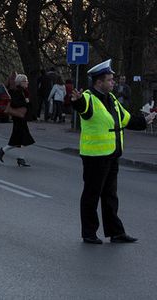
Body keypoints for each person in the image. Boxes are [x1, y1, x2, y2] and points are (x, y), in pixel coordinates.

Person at [71, 59, 157, 244]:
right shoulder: (88, 98)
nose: (113, 82)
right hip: (95, 156)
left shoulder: (112, 100)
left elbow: (125, 119)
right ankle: (89, 233)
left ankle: (116, 233)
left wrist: (144, 121)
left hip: (112, 155)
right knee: (91, 195)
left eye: (112, 79)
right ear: (98, 82)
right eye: (109, 80)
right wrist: (77, 102)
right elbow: (82, 108)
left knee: (110, 196)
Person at [0, 74, 35, 167]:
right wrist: (26, 102)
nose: (27, 82)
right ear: (21, 82)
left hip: (21, 118)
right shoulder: (17, 91)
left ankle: (5, 151)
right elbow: (16, 103)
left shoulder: (24, 92)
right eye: (25, 81)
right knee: (24, 139)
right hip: (18, 118)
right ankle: (19, 158)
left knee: (19, 140)